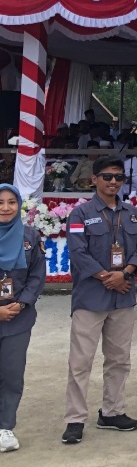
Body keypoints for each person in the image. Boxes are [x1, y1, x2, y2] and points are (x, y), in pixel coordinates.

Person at [62, 156, 137, 444]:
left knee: (119, 360)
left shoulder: (132, 214)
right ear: (94, 179)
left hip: (122, 298)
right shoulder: (80, 214)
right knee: (80, 362)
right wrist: (107, 277)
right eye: (107, 177)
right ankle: (75, 419)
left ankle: (112, 412)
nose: (113, 182)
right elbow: (78, 252)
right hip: (91, 298)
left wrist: (124, 274)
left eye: (119, 177)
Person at [0, 185, 45, 453]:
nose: (5, 208)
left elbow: (37, 275)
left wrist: (22, 303)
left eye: (11, 202)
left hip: (18, 318)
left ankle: (5, 426)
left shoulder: (29, 236)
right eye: (0, 202)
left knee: (12, 374)